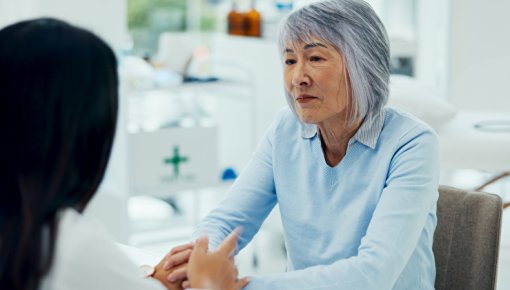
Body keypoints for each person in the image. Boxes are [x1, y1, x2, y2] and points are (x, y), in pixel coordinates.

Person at [165, 0, 440, 289]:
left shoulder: (412, 144)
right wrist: (197, 258)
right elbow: (228, 219)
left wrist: (235, 286)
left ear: (365, 64)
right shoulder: (286, 130)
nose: (298, 78)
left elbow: (372, 274)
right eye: (290, 61)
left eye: (316, 59)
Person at [0, 18, 248, 290]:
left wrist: (149, 281)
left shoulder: (26, 234)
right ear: (86, 127)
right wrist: (213, 283)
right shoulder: (71, 247)